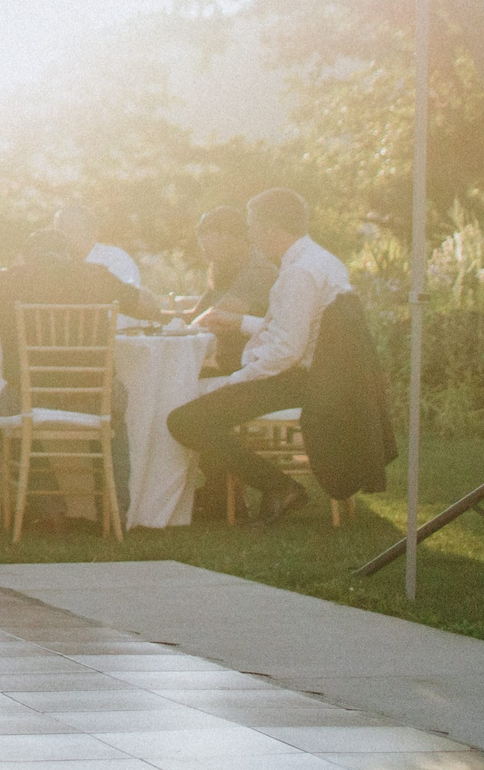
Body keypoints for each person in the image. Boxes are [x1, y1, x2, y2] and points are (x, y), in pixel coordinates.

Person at [168, 189, 351, 525]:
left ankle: (279, 487)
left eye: (251, 227)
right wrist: (241, 324)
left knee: (184, 419)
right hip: (314, 376)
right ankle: (221, 497)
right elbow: (291, 330)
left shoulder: (300, 273)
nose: (249, 235)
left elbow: (286, 351)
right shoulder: (319, 261)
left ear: (271, 228)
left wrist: (236, 379)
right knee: (199, 405)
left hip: (296, 382)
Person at [0, 229, 158, 400]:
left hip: (28, 398)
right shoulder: (95, 276)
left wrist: (8, 329)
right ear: (70, 254)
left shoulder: (4, 281)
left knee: (0, 401)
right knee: (115, 396)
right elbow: (150, 309)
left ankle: (22, 441)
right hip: (94, 396)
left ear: (24, 257)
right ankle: (106, 441)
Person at [191, 205, 278, 377]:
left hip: (245, 366)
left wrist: (171, 329)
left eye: (208, 247)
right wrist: (153, 315)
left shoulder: (260, 271)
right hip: (224, 361)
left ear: (230, 238)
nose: (205, 253)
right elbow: (196, 313)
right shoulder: (224, 270)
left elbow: (213, 317)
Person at [56, 203, 142, 290]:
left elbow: (130, 296)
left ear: (91, 232)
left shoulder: (115, 259)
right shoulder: (54, 263)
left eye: (71, 230)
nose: (64, 237)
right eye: (59, 231)